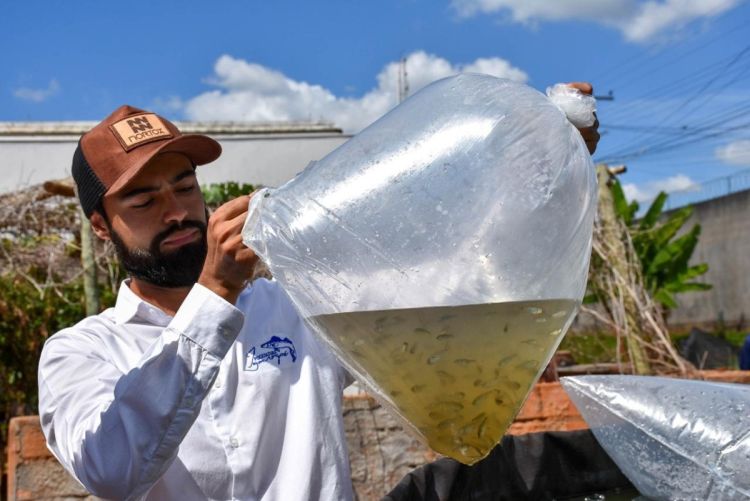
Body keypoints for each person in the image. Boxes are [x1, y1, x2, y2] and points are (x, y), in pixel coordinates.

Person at [38, 84, 599, 500]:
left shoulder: (296, 304)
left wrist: (538, 167)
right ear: (101, 225)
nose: (177, 211)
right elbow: (112, 468)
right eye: (143, 201)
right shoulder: (80, 353)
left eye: (185, 186)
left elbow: (454, 282)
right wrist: (214, 292)